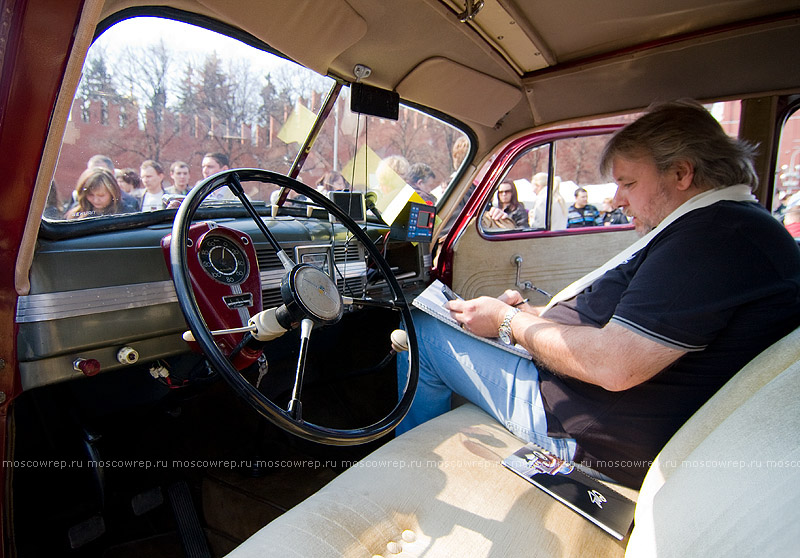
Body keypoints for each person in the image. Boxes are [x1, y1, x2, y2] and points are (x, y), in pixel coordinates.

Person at [397, 100, 800, 488]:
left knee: (421, 333)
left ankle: (408, 468)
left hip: (581, 426)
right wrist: (532, 315)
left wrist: (508, 322)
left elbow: (615, 365)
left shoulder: (714, 240)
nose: (617, 199)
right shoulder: (724, 227)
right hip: (580, 397)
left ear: (681, 174)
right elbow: (628, 325)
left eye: (628, 183)